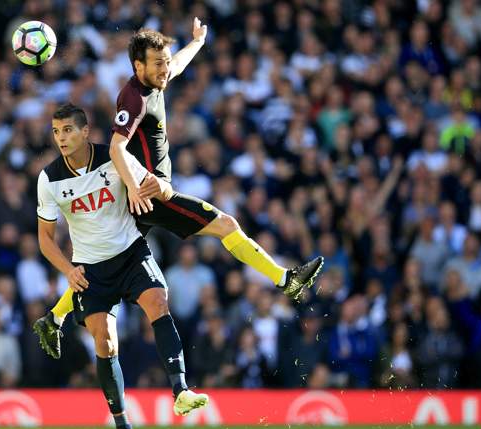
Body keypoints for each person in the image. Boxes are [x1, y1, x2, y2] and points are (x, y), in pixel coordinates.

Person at [36, 19, 324, 360]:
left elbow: (178, 65)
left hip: (146, 193)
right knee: (226, 225)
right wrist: (132, 187)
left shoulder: (155, 79)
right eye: (158, 63)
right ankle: (284, 281)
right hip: (153, 195)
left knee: (101, 267)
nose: (165, 68)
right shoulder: (133, 98)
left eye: (166, 61)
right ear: (138, 65)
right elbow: (115, 147)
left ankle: (54, 318)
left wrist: (197, 42)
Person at [34, 103, 208, 429]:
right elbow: (44, 239)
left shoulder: (114, 157)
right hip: (90, 269)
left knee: (158, 301)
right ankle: (123, 427)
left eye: (68, 130)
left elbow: (150, 184)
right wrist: (68, 270)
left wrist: (152, 186)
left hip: (130, 252)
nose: (61, 138)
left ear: (86, 131)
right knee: (105, 341)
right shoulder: (49, 178)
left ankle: (181, 388)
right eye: (56, 132)